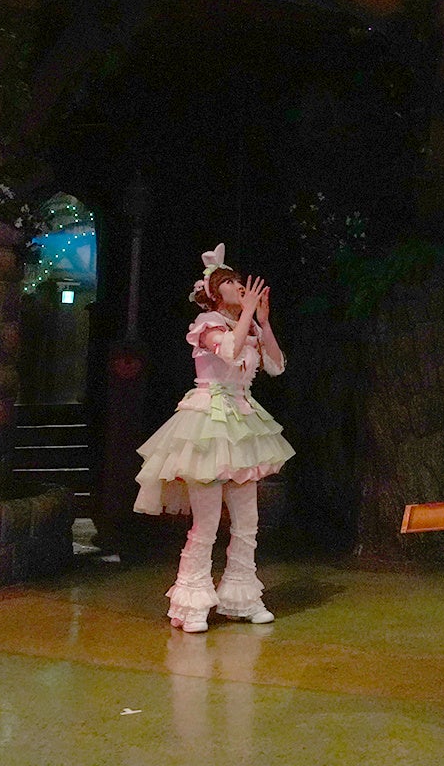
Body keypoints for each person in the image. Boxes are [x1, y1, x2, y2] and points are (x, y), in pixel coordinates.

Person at [134, 243, 294, 629]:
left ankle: (241, 599)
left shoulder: (248, 327)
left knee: (248, 522)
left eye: (239, 281)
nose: (239, 286)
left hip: (241, 422)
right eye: (230, 282)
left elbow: (276, 367)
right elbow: (229, 353)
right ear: (213, 293)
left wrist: (263, 322)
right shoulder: (206, 324)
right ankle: (191, 605)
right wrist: (248, 317)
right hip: (207, 422)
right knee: (206, 524)